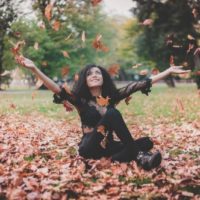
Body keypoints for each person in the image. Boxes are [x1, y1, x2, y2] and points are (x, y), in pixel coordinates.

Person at [15, 56, 190, 170]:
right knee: (113, 115)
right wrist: (34, 69)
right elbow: (55, 87)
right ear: (85, 79)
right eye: (89, 74)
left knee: (146, 141)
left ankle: (115, 159)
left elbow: (140, 84)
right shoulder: (80, 100)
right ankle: (140, 157)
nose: (94, 75)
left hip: (108, 146)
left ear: (103, 78)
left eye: (98, 73)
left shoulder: (112, 97)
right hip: (89, 146)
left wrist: (168, 71)